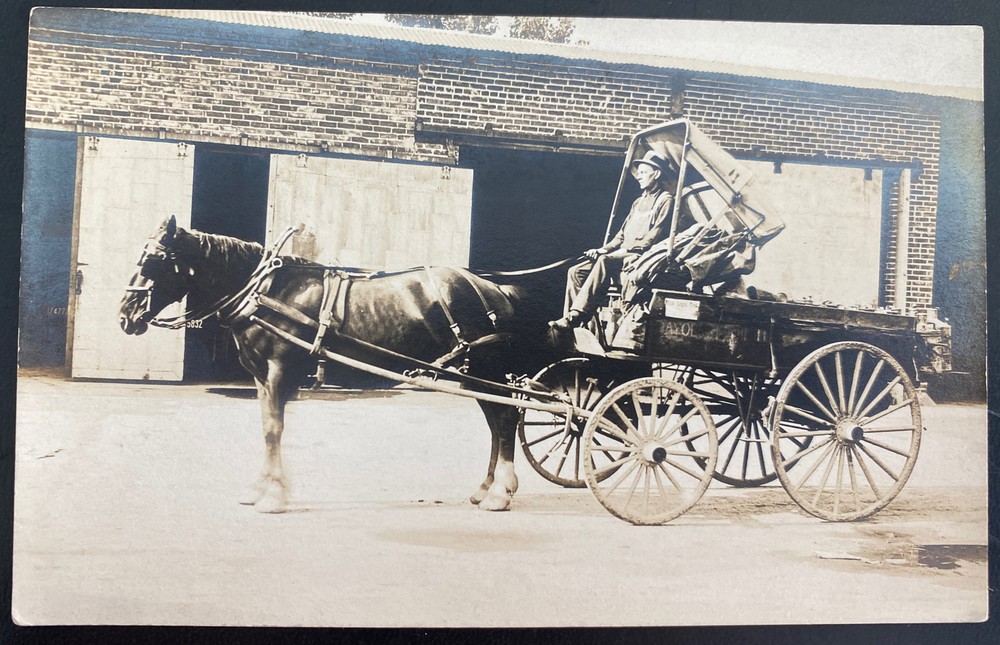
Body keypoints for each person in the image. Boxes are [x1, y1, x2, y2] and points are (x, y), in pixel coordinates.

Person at [549, 149, 676, 329]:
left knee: (604, 261)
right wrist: (604, 249)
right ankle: (575, 322)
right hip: (620, 255)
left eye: (644, 173)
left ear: (657, 174)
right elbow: (621, 235)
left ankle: (576, 315)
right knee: (576, 271)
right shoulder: (638, 202)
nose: (639, 177)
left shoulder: (665, 200)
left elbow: (655, 235)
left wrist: (628, 250)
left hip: (641, 257)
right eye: (638, 173)